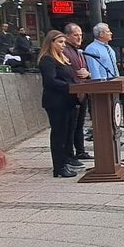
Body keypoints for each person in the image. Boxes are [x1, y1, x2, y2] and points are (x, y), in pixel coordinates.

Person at [38, 30, 81, 178]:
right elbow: (51, 81)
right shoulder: (47, 59)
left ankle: (66, 161)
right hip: (56, 102)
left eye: (64, 42)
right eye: (60, 42)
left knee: (68, 134)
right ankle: (59, 167)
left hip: (68, 101)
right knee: (59, 135)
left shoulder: (62, 58)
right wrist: (71, 87)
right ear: (51, 43)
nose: (63, 45)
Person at [62, 23, 92, 163]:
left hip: (83, 92)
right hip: (72, 94)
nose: (79, 38)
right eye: (75, 35)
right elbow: (66, 72)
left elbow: (84, 70)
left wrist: (88, 74)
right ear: (67, 36)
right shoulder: (65, 51)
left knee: (80, 125)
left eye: (80, 35)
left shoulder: (79, 51)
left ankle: (80, 151)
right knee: (71, 126)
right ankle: (70, 154)